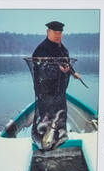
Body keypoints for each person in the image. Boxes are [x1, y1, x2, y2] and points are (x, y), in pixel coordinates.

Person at [28, 20, 72, 152]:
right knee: (46, 115)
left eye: (60, 33)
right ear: (48, 32)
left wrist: (70, 70)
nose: (58, 36)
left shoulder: (62, 49)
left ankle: (58, 136)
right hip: (45, 91)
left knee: (59, 113)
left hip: (59, 91)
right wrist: (60, 70)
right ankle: (43, 139)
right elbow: (44, 70)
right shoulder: (42, 49)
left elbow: (66, 64)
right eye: (55, 33)